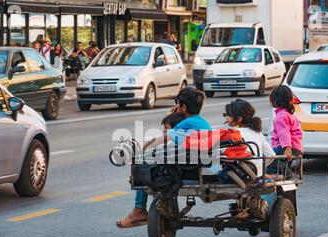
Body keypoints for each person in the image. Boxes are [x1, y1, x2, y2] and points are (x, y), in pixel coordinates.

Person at [116, 87, 211, 229]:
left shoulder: (185, 124)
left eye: (177, 103)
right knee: (155, 163)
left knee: (143, 167)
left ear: (183, 107)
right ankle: (146, 209)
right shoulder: (201, 122)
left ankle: (139, 209)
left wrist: (140, 150)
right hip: (196, 167)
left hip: (189, 170)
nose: (176, 106)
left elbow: (161, 139)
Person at [223, 99, 275, 177]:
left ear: (239, 119)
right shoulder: (257, 132)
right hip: (258, 175)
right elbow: (271, 155)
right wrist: (260, 169)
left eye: (229, 115)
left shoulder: (233, 132)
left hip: (241, 176)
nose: (226, 117)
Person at [269, 85, 303, 173]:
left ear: (275, 100)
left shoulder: (281, 116)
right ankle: (285, 176)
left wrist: (287, 148)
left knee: (268, 158)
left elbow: (284, 133)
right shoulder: (287, 113)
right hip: (295, 147)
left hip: (287, 147)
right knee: (277, 163)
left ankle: (287, 174)